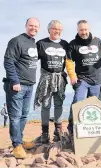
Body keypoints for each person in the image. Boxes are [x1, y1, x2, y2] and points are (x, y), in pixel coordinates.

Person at [66, 20, 101, 134]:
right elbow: (69, 61)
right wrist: (72, 76)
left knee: (94, 106)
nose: (84, 32)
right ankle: (72, 127)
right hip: (82, 79)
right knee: (78, 100)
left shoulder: (97, 41)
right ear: (78, 30)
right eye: (81, 30)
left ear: (89, 29)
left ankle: (90, 130)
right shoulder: (73, 44)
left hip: (96, 80)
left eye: (86, 29)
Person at [3, 18, 40, 158]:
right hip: (17, 86)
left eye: (36, 26)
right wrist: (15, 81)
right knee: (15, 117)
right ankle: (16, 146)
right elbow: (8, 61)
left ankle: (20, 140)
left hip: (29, 85)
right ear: (26, 26)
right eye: (31, 25)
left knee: (24, 115)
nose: (33, 28)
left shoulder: (33, 43)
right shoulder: (16, 41)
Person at [34, 20, 68, 143]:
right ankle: (44, 133)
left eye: (59, 29)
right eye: (54, 28)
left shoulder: (65, 44)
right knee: (46, 105)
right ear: (49, 30)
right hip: (46, 79)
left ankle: (58, 130)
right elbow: (31, 60)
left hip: (60, 80)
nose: (56, 31)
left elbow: (70, 61)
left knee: (59, 104)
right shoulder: (41, 43)